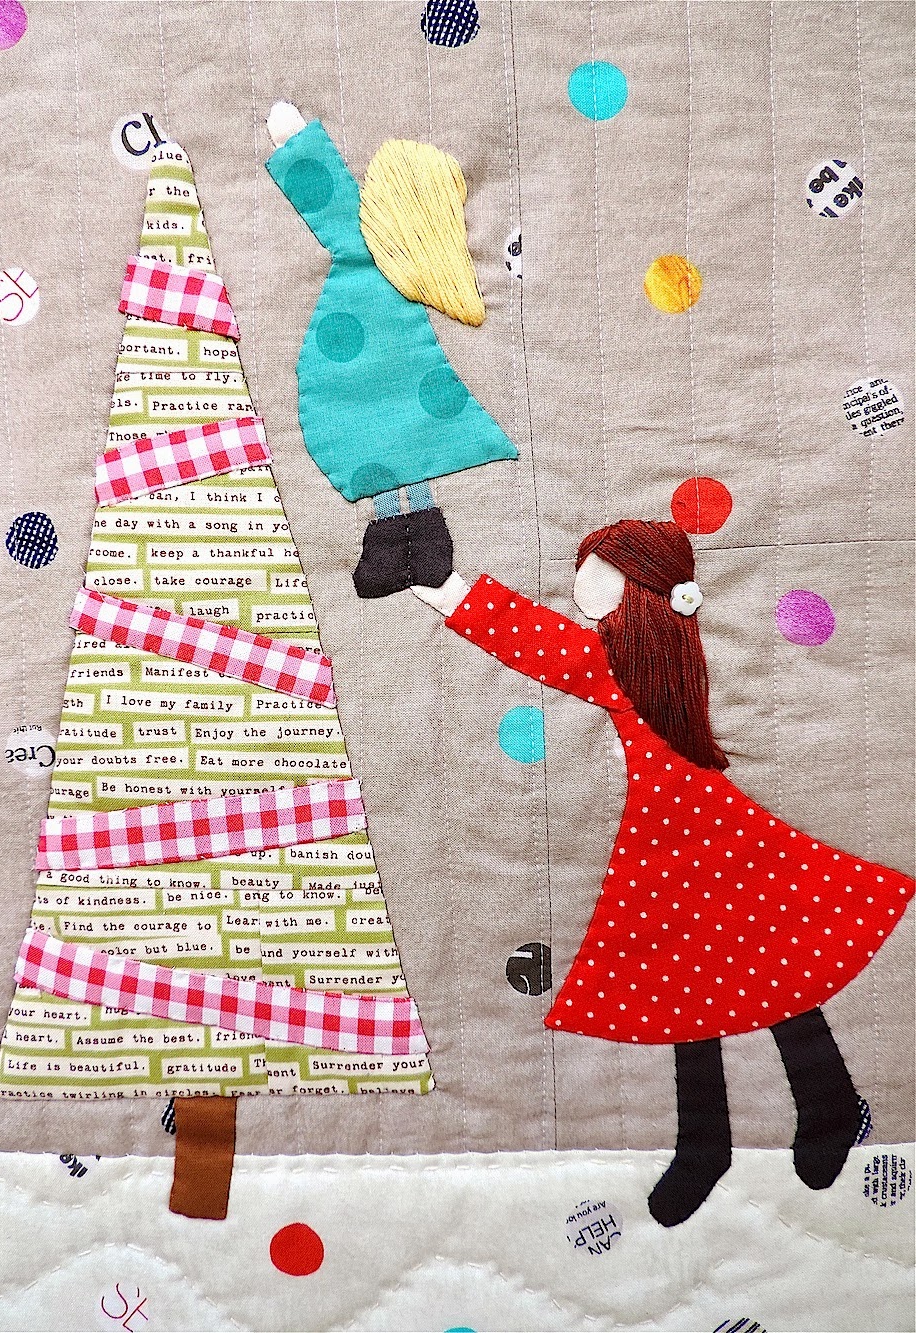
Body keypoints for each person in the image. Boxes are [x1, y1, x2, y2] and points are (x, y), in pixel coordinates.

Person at [414, 519, 914, 1225]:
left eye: (600, 575)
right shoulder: (636, 654)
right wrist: (448, 590)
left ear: (640, 586)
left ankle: (814, 1109)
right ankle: (720, 1139)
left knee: (758, 956)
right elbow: (548, 643)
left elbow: (546, 645)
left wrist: (450, 591)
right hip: (672, 829)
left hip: (699, 828)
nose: (584, 589)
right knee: (703, 970)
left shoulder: (638, 661)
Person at [266, 104, 517, 598]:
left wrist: (298, 147)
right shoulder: (379, 255)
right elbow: (338, 208)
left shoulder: (384, 258)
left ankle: (416, 551)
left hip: (374, 362)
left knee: (398, 447)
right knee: (390, 448)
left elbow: (336, 206)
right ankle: (406, 550)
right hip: (361, 363)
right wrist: (298, 147)